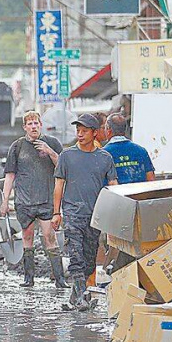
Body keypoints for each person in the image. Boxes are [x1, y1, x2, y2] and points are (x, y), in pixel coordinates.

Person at [53, 113, 118, 311]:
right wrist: (56, 213)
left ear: (95, 133)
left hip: (95, 215)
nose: (80, 135)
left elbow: (114, 186)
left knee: (89, 259)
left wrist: (114, 214)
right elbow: (58, 186)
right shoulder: (67, 156)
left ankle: (75, 298)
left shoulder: (105, 158)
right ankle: (81, 297)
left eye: (84, 131)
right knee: (76, 255)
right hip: (73, 212)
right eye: (78, 131)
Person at [0, 110, 68, 288]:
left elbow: (63, 167)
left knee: (49, 236)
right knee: (27, 236)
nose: (33, 127)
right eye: (30, 124)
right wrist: (5, 200)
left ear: (41, 125)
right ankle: (28, 279)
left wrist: (50, 152)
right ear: (25, 127)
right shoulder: (17, 146)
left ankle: (60, 279)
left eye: (36, 123)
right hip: (24, 200)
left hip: (46, 199)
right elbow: (10, 175)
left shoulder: (52, 143)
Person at [103, 113, 155, 184]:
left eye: (105, 128)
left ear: (109, 130)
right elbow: (151, 179)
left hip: (116, 194)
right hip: (140, 193)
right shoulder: (141, 151)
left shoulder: (103, 154)